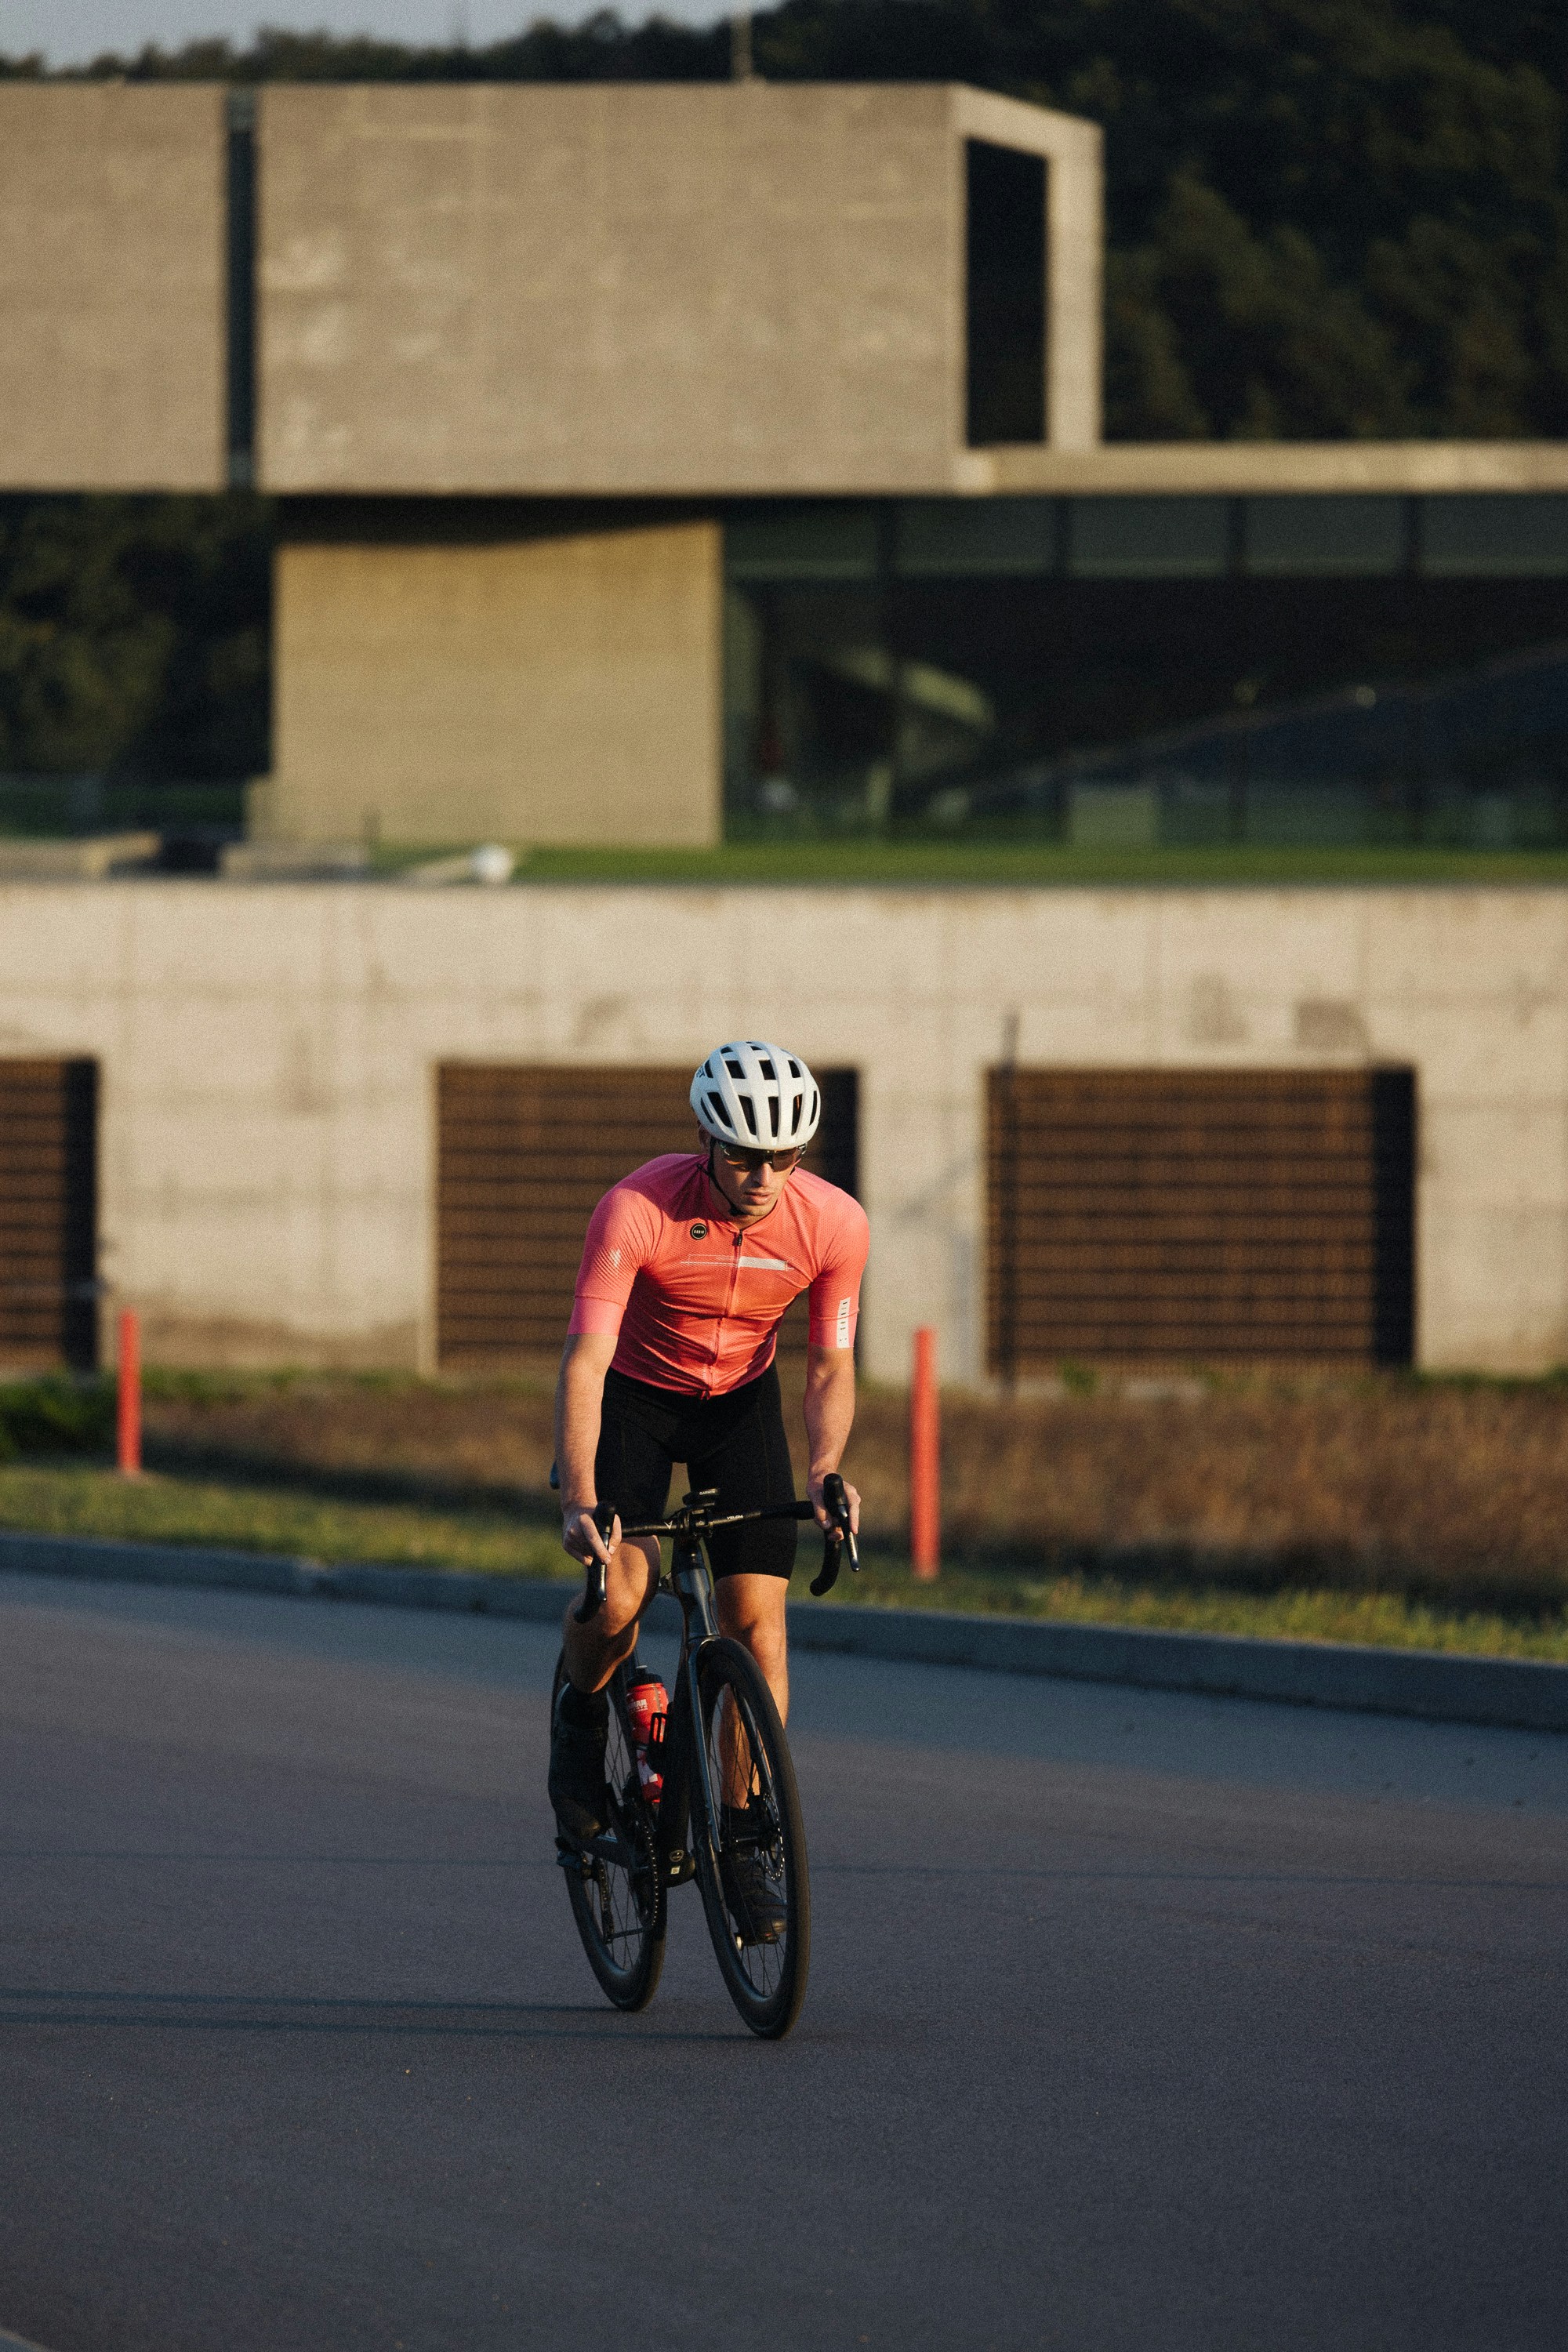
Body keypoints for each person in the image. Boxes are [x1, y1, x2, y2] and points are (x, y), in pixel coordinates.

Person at [548, 1039, 869, 1935]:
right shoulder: (636, 1207)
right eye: (741, 1155)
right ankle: (578, 1724)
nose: (763, 1175)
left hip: (739, 1407)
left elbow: (828, 1367)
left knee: (757, 1628)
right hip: (635, 1400)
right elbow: (586, 1359)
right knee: (620, 1592)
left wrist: (824, 1469)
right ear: (705, 1140)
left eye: (784, 1157)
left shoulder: (834, 1224)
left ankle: (742, 1834)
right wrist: (580, 1496)